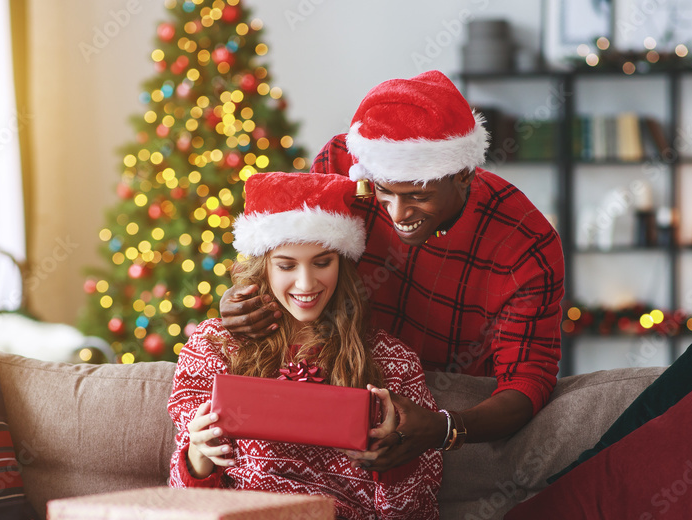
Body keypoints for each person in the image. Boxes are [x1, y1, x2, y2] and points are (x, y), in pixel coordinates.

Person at [220, 71, 565, 470]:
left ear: (464, 174)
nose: (398, 214)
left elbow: (527, 383)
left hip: (452, 404)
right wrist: (241, 297)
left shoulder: (526, 243)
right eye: (384, 192)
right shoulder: (344, 167)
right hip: (341, 378)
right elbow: (289, 256)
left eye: (418, 195)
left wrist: (443, 428)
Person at [167, 171, 442, 520]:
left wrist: (396, 461)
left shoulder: (392, 362)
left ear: (344, 262)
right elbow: (180, 508)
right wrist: (197, 457)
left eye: (322, 262)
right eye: (286, 264)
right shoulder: (214, 348)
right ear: (263, 265)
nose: (306, 282)